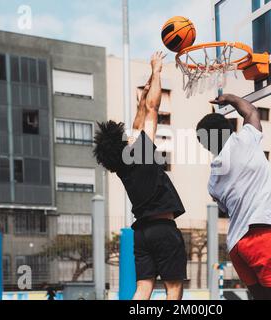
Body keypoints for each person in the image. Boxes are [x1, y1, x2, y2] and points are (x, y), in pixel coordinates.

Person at [93, 52, 187, 301]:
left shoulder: (123, 165)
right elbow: (153, 110)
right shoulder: (142, 151)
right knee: (174, 289)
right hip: (163, 229)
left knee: (142, 289)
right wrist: (157, 71)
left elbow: (139, 122)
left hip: (142, 234)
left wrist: (142, 98)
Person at [196, 93, 271, 300]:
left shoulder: (213, 180)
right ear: (228, 130)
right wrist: (228, 98)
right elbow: (251, 111)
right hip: (261, 239)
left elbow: (243, 208)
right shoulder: (243, 141)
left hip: (238, 247)